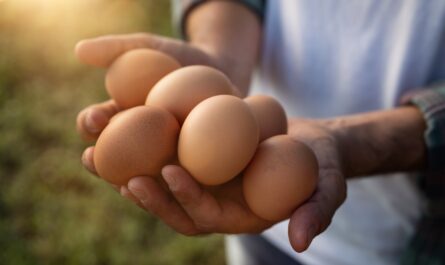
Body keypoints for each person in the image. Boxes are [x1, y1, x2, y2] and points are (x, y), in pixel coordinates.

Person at [75, 1, 445, 264]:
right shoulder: (236, 125)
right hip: (258, 218)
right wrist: (221, 56)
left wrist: (362, 143)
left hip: (402, 237)